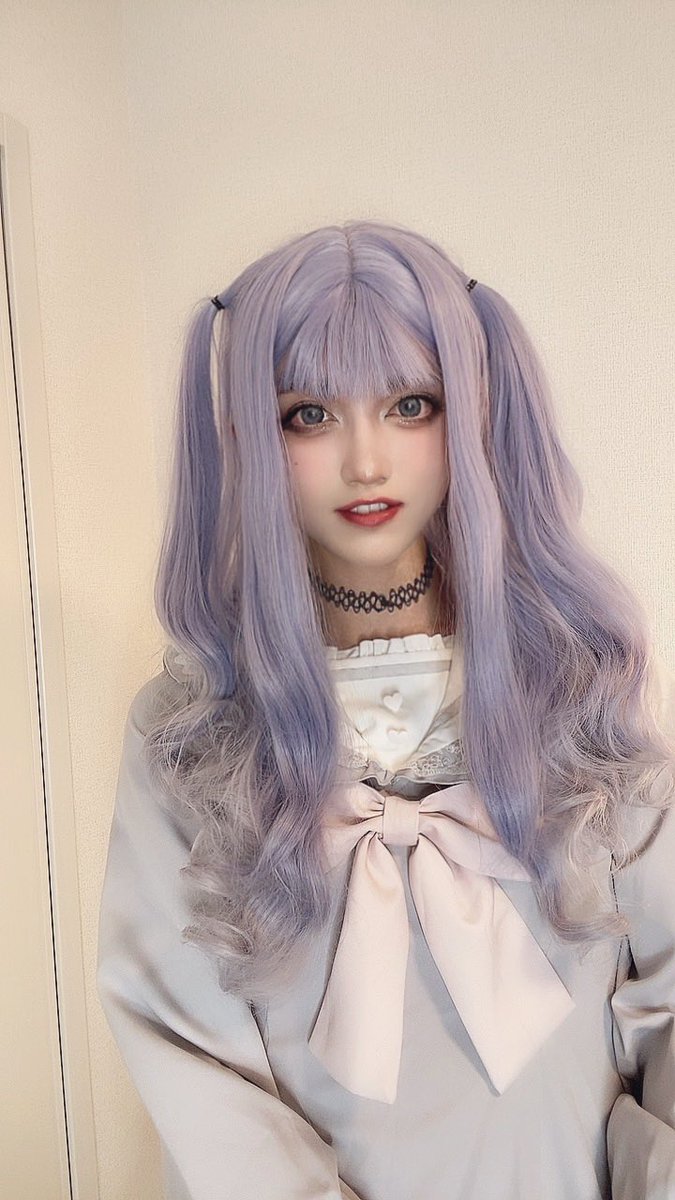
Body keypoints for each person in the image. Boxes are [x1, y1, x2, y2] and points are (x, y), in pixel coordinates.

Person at [96, 220, 675, 1200]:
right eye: (308, 415)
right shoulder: (191, 732)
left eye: (410, 405)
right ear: (245, 435)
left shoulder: (574, 687)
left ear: (473, 411)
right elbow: (186, 1050)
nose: (366, 461)